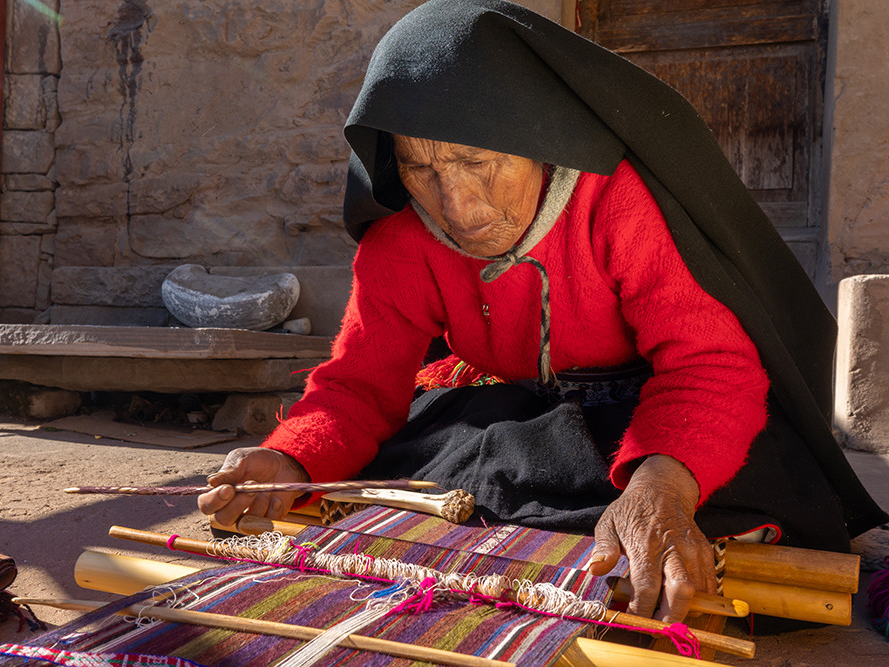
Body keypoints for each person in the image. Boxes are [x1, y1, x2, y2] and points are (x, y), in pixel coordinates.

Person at [199, 0, 887, 625]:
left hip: (653, 406)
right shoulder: (402, 241)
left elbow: (707, 363)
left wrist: (663, 482)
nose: (458, 207)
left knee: (755, 476)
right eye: (421, 168)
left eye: (476, 161)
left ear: (540, 141)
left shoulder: (613, 200)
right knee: (427, 460)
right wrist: (289, 459)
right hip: (532, 415)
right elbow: (359, 386)